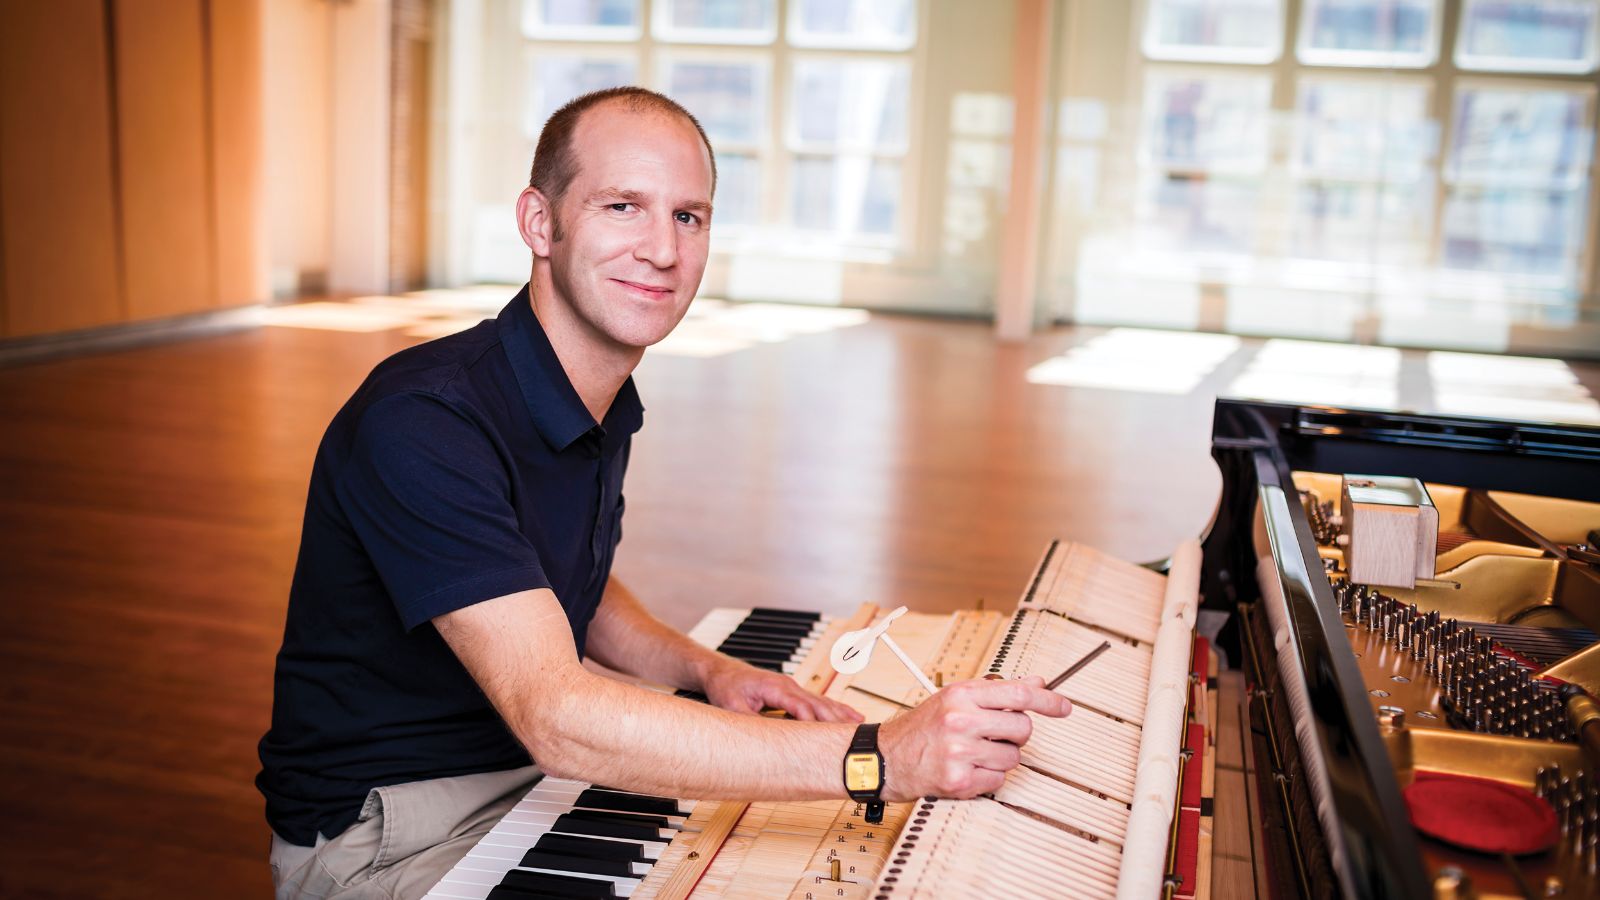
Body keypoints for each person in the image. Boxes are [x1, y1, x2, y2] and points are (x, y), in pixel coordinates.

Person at [257, 87, 1070, 899]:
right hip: (388, 835)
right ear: (539, 223)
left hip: (523, 781)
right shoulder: (424, 421)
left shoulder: (593, 394)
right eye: (622, 206)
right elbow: (557, 717)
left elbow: (543, 577)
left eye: (688, 217)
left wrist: (704, 667)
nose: (662, 250)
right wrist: (881, 756)